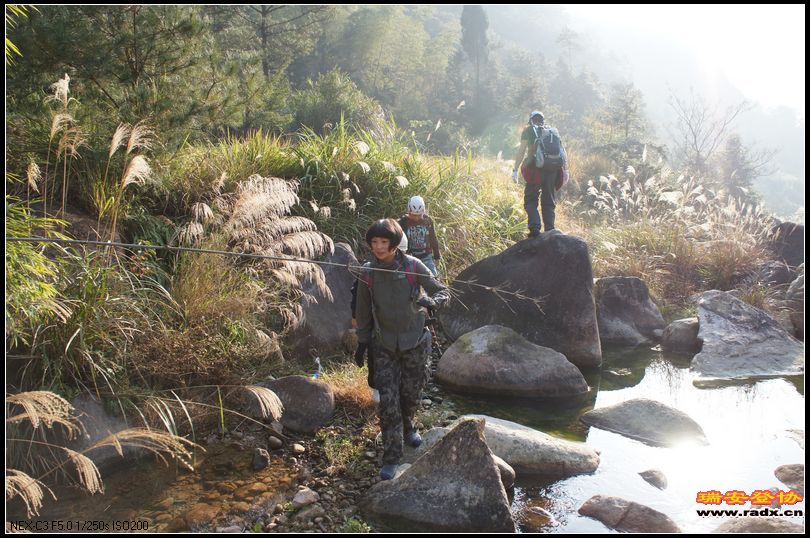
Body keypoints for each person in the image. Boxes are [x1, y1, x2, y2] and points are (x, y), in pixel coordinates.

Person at [354, 219, 449, 480]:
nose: (379, 247)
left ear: (395, 244)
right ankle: (392, 456)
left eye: (384, 242)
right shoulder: (368, 273)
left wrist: (433, 301)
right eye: (374, 242)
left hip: (416, 342)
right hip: (383, 344)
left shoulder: (412, 267)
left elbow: (443, 292)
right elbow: (362, 310)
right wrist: (362, 342)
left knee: (411, 394)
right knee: (388, 400)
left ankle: (409, 426)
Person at [351, 234, 408, 403]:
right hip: (375, 324)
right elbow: (356, 296)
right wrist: (356, 317)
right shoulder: (369, 271)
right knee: (375, 357)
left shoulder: (411, 269)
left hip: (401, 328)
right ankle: (377, 391)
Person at [511, 111, 568, 237]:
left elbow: (521, 151)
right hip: (552, 170)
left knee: (530, 200)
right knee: (548, 201)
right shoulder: (551, 131)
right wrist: (565, 170)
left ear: (530, 119)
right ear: (543, 120)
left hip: (534, 170)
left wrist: (515, 170)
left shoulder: (528, 130)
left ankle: (535, 229)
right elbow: (563, 152)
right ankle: (550, 231)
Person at [398, 196, 442, 277]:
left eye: (419, 215)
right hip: (409, 257)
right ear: (409, 211)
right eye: (414, 215)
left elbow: (433, 239)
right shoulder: (402, 222)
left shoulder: (427, 221)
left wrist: (437, 257)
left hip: (426, 257)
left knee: (433, 278)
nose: (416, 218)